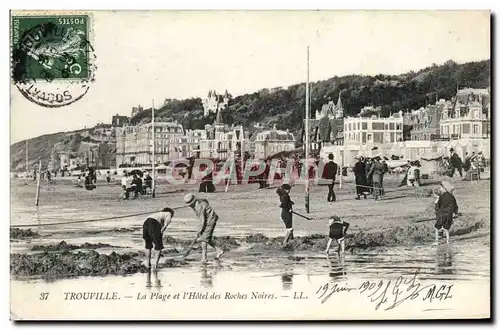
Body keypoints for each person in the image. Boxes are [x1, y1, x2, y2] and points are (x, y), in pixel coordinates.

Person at [184, 193, 225, 262]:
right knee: (206, 238)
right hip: (208, 219)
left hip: (210, 220)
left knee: (203, 238)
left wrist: (199, 230)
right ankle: (218, 250)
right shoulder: (198, 203)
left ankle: (204, 257)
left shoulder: (199, 206)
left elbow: (202, 220)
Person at [433, 180, 458, 245]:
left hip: (442, 214)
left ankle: (436, 241)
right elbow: (455, 205)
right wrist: (455, 212)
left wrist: (436, 204)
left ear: (444, 188)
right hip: (449, 215)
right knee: (446, 228)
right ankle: (448, 241)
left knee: (436, 228)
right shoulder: (451, 197)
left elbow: (438, 206)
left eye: (441, 187)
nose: (440, 189)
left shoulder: (442, 196)